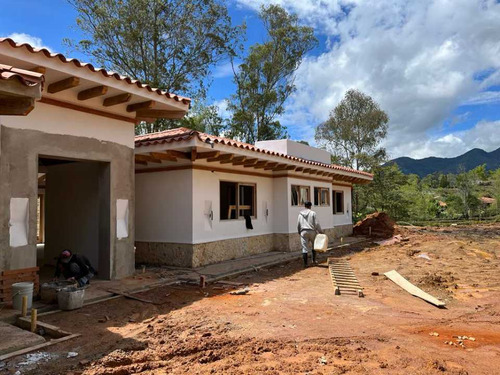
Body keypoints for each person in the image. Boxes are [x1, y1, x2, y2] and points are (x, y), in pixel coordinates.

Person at [297, 201, 323, 267]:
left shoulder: (300, 214)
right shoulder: (313, 213)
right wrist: (320, 231)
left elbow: (298, 224)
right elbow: (316, 223)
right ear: (310, 206)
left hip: (303, 231)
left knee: (304, 248)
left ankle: (305, 264)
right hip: (312, 231)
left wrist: (299, 232)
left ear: (304, 206)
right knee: (314, 246)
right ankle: (313, 261)